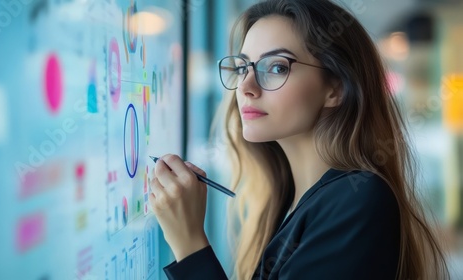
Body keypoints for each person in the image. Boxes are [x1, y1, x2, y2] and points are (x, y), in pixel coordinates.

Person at [148, 0, 449, 279]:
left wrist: (189, 243)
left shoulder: (358, 198)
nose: (246, 87)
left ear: (336, 89)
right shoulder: (291, 202)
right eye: (243, 67)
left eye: (277, 67)